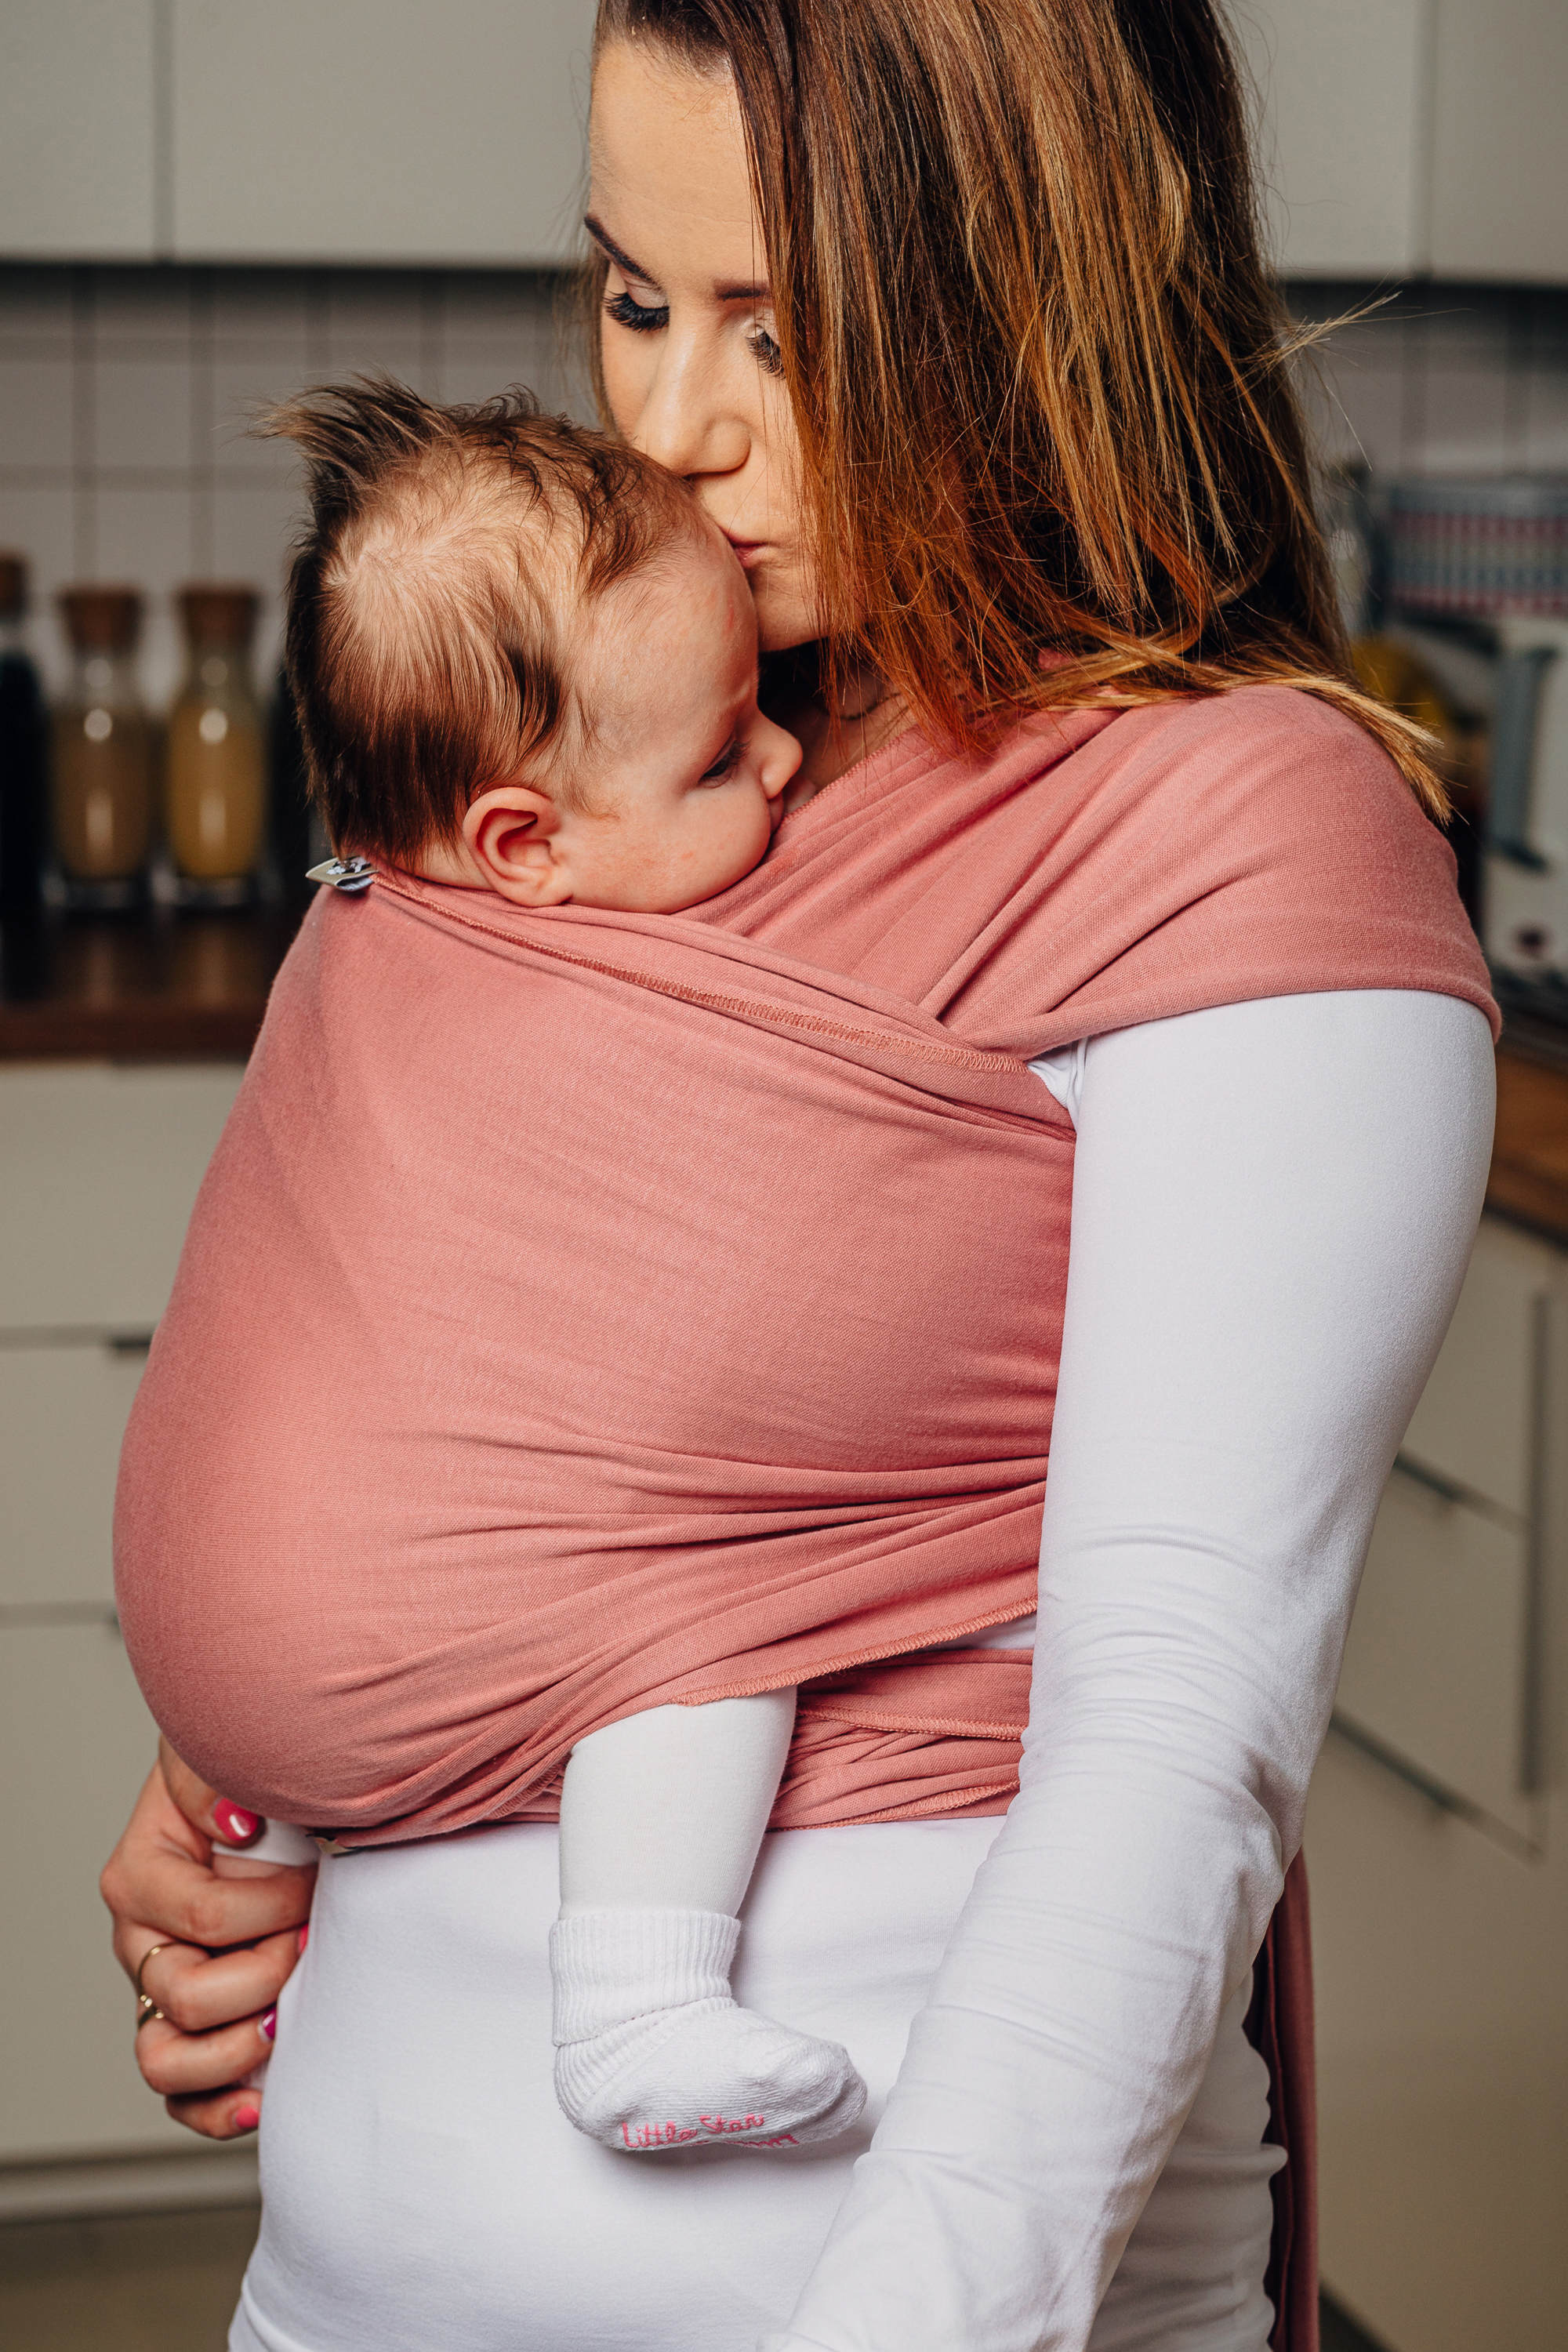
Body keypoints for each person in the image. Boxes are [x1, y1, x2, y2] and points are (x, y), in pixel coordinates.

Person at [100, 6, 1496, 2349]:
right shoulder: (614, 785)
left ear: (1038, 310)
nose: (667, 425)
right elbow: (503, 1433)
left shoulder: (1226, 834)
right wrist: (261, 1804)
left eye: (789, 329)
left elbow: (1169, 1749)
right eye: (634, 296)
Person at [117, 375, 872, 2158]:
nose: (780, 761)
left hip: (210, 1652)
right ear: (523, 846)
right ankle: (634, 2003)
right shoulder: (593, 984)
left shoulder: (363, 919)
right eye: (719, 753)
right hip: (381, 1623)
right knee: (704, 1610)